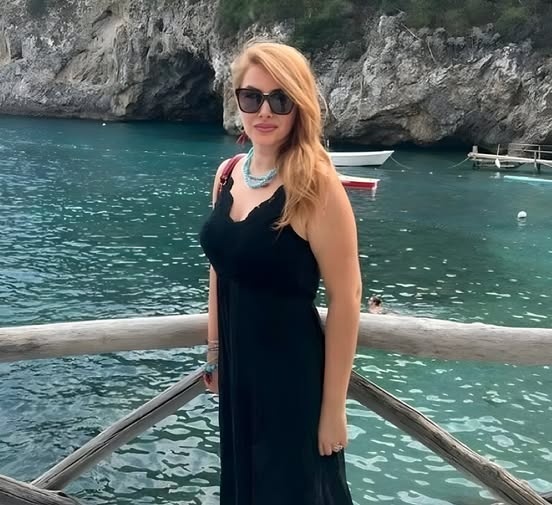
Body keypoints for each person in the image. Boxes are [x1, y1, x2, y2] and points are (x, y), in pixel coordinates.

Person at [199, 40, 361, 505]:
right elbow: (220, 268)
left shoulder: (316, 186)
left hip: (292, 379)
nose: (264, 111)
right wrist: (214, 349)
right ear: (238, 102)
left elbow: (347, 298)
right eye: (252, 97)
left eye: (280, 99)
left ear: (299, 106)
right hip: (238, 373)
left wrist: (333, 408)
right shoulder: (228, 174)